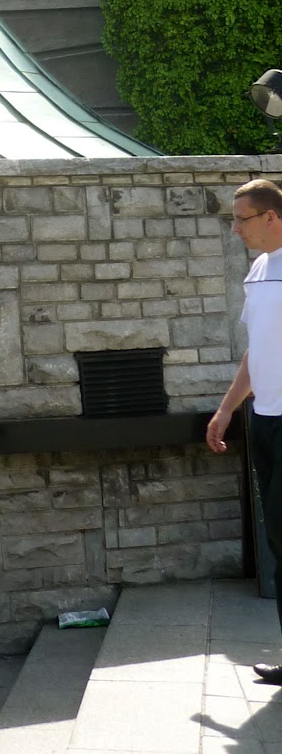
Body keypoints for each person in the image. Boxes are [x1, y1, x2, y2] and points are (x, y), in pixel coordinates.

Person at [208, 177, 282, 684]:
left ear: (271, 217)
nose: (235, 229)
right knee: (278, 542)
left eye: (241, 219)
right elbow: (258, 350)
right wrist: (227, 410)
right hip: (265, 421)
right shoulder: (258, 272)